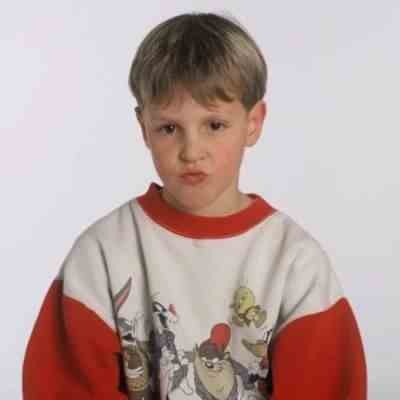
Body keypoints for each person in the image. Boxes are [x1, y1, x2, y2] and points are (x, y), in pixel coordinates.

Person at [23, 12, 367, 400]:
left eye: (214, 125)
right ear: (144, 128)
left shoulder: (294, 264)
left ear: (253, 122)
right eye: (169, 128)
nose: (191, 151)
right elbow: (62, 386)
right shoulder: (102, 255)